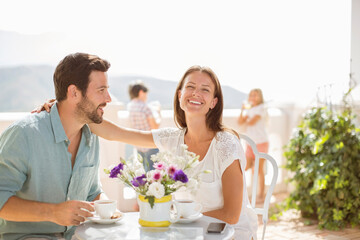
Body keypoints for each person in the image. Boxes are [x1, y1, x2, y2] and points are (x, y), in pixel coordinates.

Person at [36, 66, 258, 239]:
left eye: (205, 89)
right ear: (180, 95)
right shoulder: (172, 139)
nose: (196, 93)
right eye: (190, 87)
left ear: (213, 102)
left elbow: (231, 214)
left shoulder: (225, 144)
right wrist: (65, 107)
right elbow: (115, 133)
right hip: (187, 233)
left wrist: (173, 218)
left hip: (228, 234)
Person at [0, 53, 112, 240]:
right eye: (101, 90)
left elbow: (93, 192)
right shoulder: (24, 134)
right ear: (74, 93)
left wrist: (109, 209)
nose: (108, 98)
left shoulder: (91, 137)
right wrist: (52, 212)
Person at [238, 88, 269, 203]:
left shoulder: (261, 108)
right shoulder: (250, 110)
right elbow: (241, 121)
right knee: (245, 167)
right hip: (250, 143)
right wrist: (242, 110)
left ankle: (261, 195)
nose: (253, 97)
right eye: (251, 95)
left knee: (258, 170)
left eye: (255, 95)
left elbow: (251, 122)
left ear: (260, 97)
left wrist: (247, 116)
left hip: (261, 142)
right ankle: (242, 194)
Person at [127, 80, 160, 172]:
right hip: (150, 144)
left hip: (138, 144)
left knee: (143, 172)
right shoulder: (146, 107)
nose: (146, 96)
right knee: (155, 174)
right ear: (141, 92)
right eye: (146, 93)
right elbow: (155, 127)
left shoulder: (130, 106)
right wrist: (158, 113)